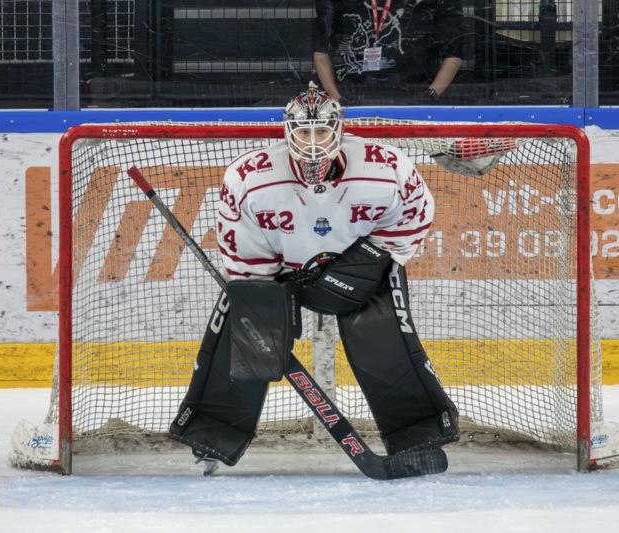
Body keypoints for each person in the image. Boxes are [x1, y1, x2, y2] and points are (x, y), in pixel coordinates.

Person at [168, 82, 460, 474]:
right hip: (282, 272)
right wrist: (264, 309)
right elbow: (242, 248)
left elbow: (417, 212)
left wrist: (372, 258)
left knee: (384, 335)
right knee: (245, 330)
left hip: (355, 268)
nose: (312, 143)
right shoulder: (250, 177)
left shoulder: (384, 166)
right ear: (287, 132)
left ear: (339, 130)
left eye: (321, 131)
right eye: (303, 132)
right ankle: (212, 433)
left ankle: (419, 431)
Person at [313, 0, 465, 103]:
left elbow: (454, 53)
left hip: (414, 92)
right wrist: (338, 100)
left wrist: (430, 95)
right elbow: (321, 52)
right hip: (352, 94)